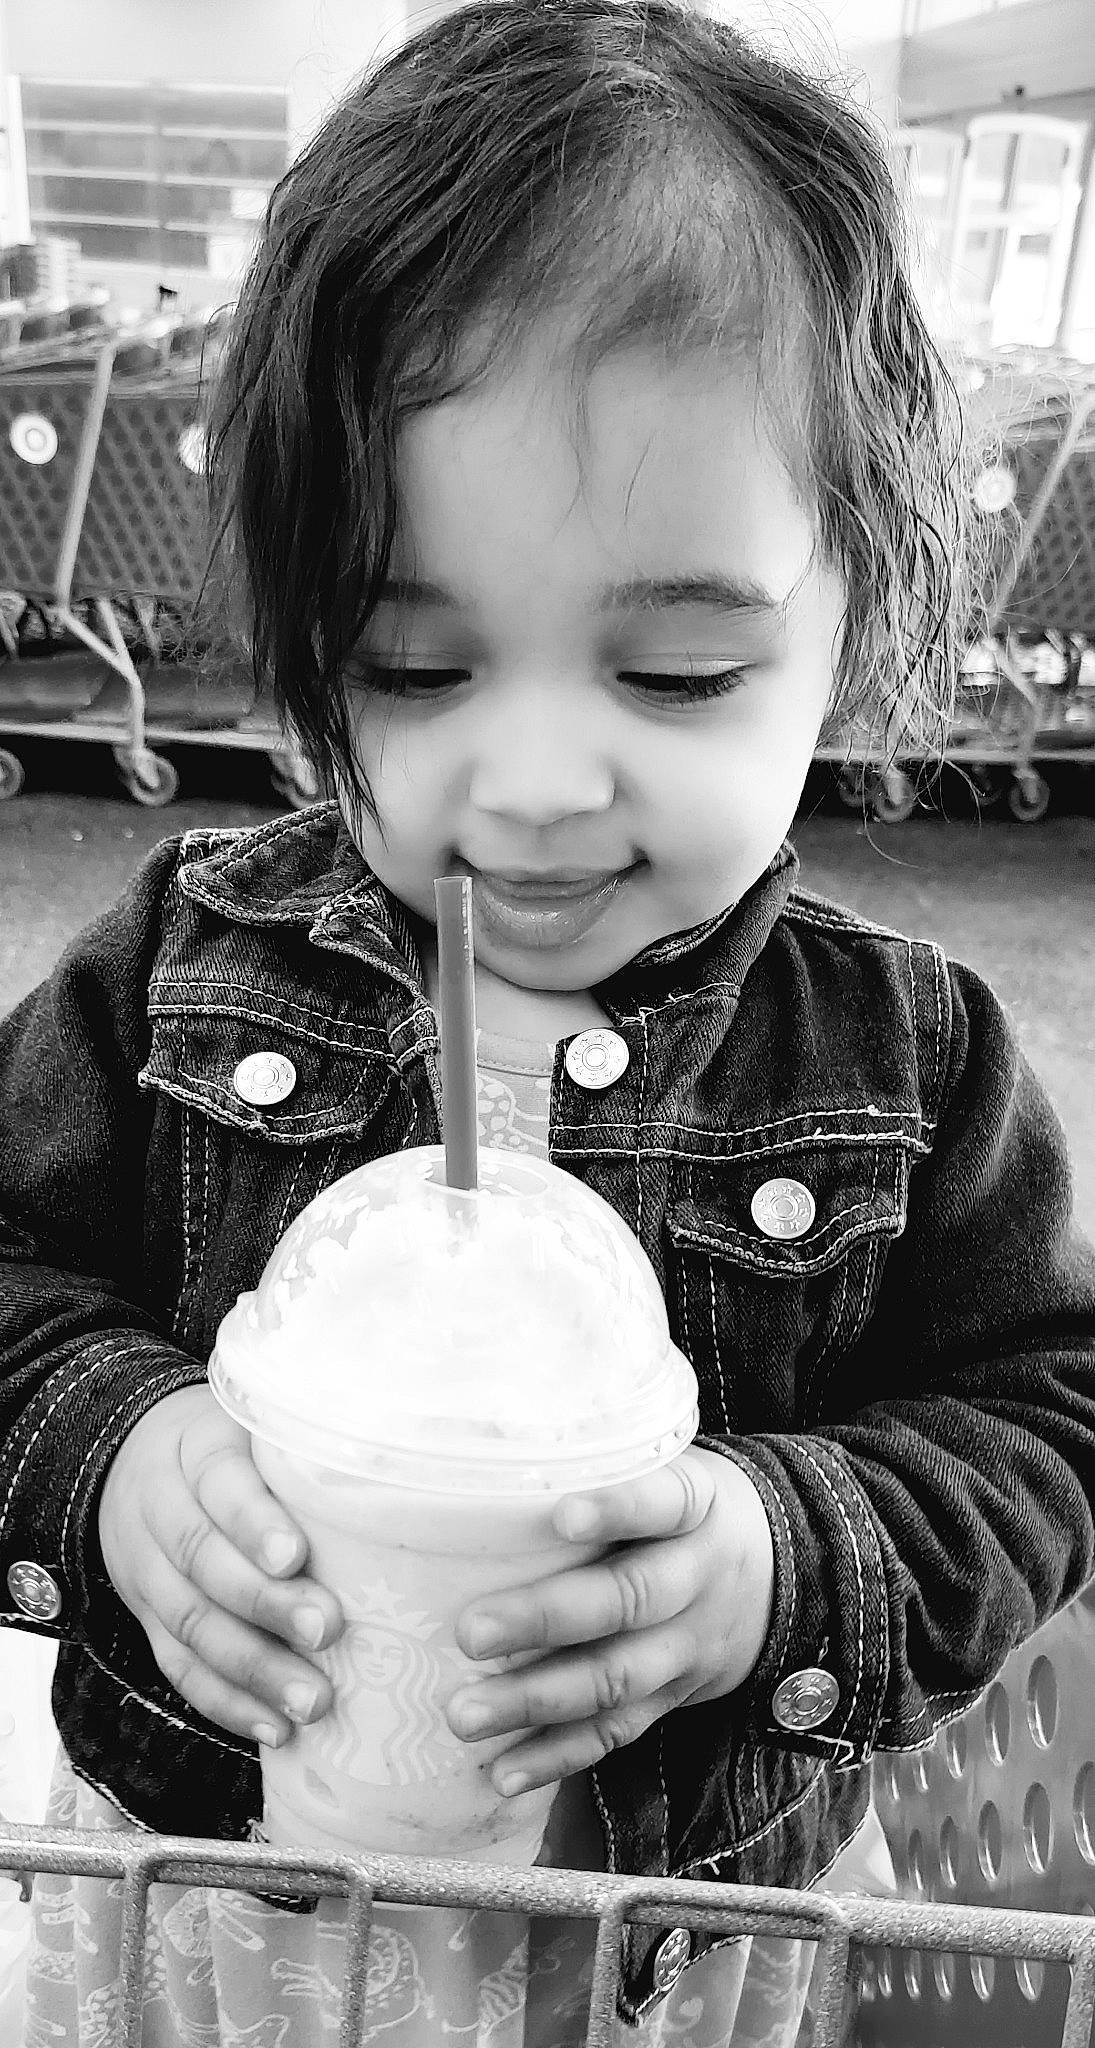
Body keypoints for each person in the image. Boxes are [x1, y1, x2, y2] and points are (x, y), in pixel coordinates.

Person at [2, 1, 1094, 2042]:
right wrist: (113, 1453)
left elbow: (1047, 1417)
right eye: (414, 666)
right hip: (227, 1922)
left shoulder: (905, 1061)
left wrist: (777, 1562)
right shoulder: (173, 967)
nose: (527, 787)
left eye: (674, 676)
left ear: (852, 614)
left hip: (681, 1939)